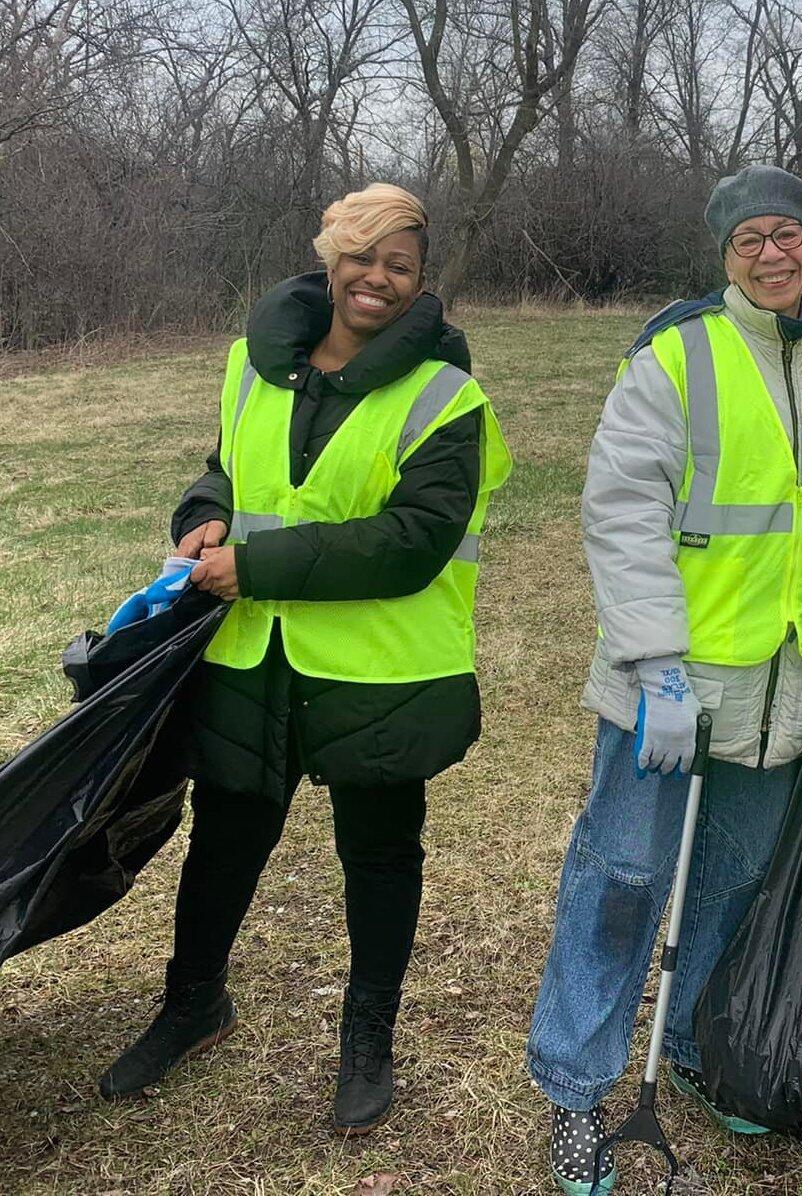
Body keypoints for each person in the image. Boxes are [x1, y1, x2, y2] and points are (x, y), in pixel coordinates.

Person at [95, 183, 512, 1134]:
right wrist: (203, 515)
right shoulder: (253, 362)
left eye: (399, 264)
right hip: (252, 656)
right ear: (329, 259)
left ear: (419, 280)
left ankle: (368, 1040)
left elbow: (415, 537)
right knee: (226, 838)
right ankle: (194, 1001)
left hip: (381, 668)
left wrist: (257, 565)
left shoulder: (448, 394)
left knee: (378, 854)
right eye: (361, 256)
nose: (378, 278)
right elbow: (228, 470)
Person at [526, 164, 802, 1195]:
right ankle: (575, 1084)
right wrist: (653, 661)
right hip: (673, 681)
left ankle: (693, 1044)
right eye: (750, 240)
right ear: (724, 252)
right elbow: (620, 510)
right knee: (622, 879)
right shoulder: (673, 357)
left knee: (734, 882)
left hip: (788, 680)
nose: (771, 253)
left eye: (787, 235)